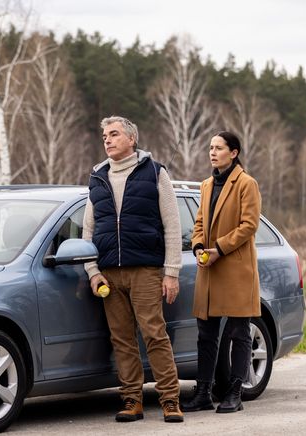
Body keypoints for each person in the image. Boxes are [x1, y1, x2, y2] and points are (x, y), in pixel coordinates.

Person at [82, 115, 184, 423]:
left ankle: (169, 400)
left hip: (145, 270)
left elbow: (172, 224)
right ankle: (131, 401)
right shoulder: (98, 176)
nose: (108, 140)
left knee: (154, 334)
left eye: (114, 134)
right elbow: (88, 229)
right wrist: (91, 270)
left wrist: (171, 272)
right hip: (109, 274)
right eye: (105, 136)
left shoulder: (154, 172)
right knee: (121, 339)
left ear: (131, 139)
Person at [181, 131, 261, 414]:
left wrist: (219, 248)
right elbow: (200, 220)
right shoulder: (205, 185)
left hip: (235, 267)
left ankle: (234, 393)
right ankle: (203, 392)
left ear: (234, 152)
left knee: (239, 332)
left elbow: (249, 225)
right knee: (206, 333)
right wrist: (199, 245)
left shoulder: (246, 184)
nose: (212, 152)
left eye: (219, 148)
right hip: (209, 268)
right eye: (210, 148)